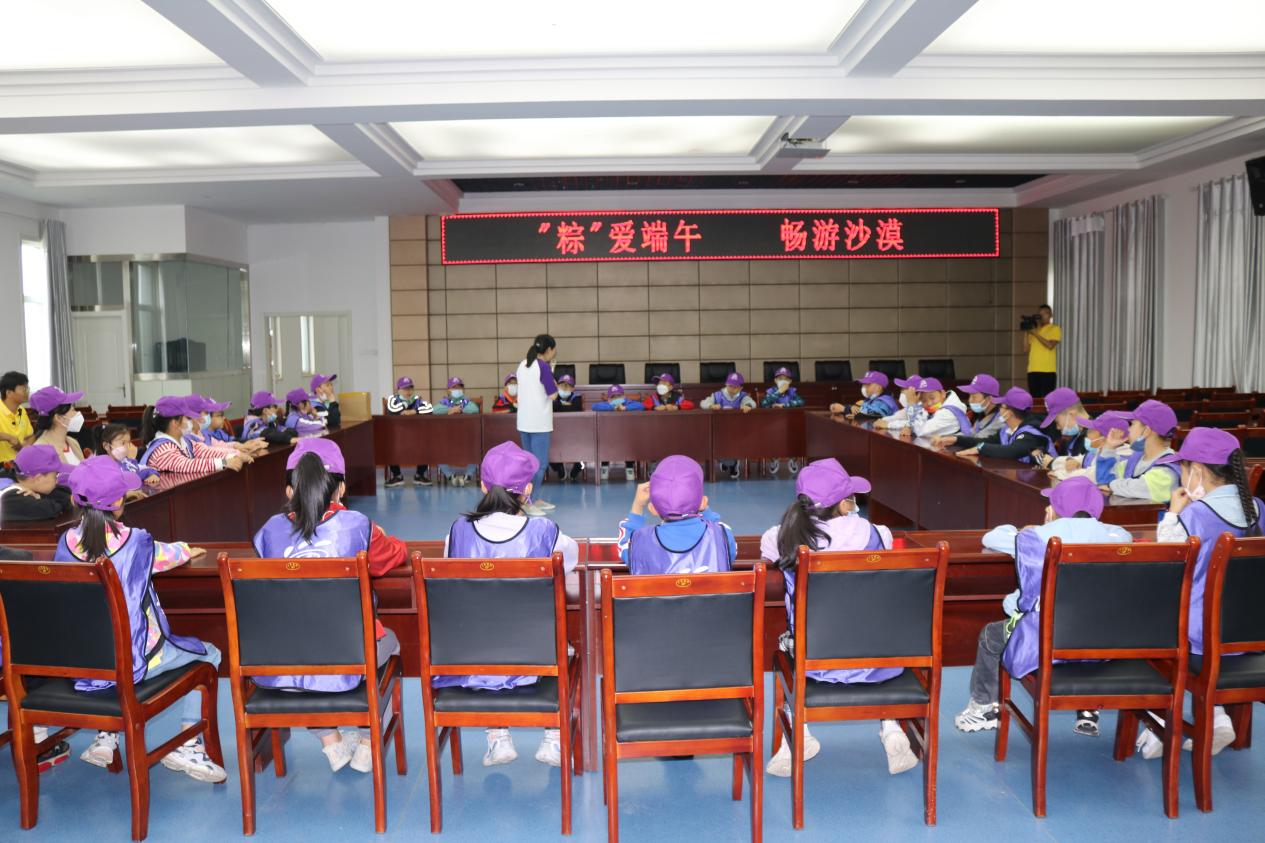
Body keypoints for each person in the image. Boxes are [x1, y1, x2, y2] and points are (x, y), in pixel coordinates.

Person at [56, 456, 224, 782]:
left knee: (103, 639)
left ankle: (106, 736)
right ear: (119, 503)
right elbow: (172, 554)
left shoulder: (65, 543)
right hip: (134, 661)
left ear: (76, 500)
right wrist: (186, 549)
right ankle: (188, 744)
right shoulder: (136, 542)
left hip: (85, 663)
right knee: (210, 654)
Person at [253, 438, 406, 773]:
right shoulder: (358, 526)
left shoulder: (269, 531)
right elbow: (395, 555)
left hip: (283, 659)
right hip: (348, 655)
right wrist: (382, 535)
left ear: (289, 490)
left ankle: (330, 741)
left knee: (304, 643)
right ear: (342, 489)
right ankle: (367, 741)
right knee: (391, 644)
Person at [759, 458, 918, 777]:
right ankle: (891, 725)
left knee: (786, 646)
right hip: (878, 656)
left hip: (814, 657)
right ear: (845, 504)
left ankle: (798, 729)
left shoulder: (779, 538)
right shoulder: (877, 533)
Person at [954, 477, 1132, 738]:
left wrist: (1042, 526)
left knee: (991, 636)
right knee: (1084, 620)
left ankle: (983, 707)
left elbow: (991, 537)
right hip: (1103, 638)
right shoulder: (1119, 537)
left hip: (1047, 638)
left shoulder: (1035, 537)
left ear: (1056, 507)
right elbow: (1118, 536)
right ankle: (1087, 707)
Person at [439, 441, 580, 767]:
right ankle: (554, 737)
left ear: (483, 485)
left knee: (486, 630)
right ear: (527, 489)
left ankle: (497, 736)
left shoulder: (458, 531)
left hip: (473, 654)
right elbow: (570, 559)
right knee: (565, 645)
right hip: (534, 653)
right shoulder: (545, 531)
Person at [1137, 427, 1265, 760]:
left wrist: (1173, 513)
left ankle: (1159, 723)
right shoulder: (1258, 509)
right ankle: (1217, 717)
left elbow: (1167, 562)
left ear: (1196, 471)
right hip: (1249, 634)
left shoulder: (1196, 514)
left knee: (1140, 624)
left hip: (1198, 637)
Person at [617, 455, 736, 574]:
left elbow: (625, 545)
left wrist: (637, 506)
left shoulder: (639, 542)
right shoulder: (723, 535)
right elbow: (720, 539)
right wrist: (705, 510)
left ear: (653, 509)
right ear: (703, 502)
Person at [1096, 399, 1181, 503]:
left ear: (1146, 431)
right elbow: (1104, 481)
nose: (1128, 429)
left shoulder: (1168, 469)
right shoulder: (1135, 460)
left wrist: (1111, 485)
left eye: (1132, 424)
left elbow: (1140, 487)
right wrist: (1109, 448)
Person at [940, 387, 1054, 463]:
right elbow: (985, 441)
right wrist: (956, 439)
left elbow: (1012, 451)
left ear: (1009, 413)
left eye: (1002, 407)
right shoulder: (1006, 431)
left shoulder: (1031, 433)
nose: (999, 410)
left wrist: (981, 449)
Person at [515, 334, 560, 514]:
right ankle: (528, 501)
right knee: (540, 465)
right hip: (539, 423)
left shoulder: (522, 364)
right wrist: (554, 383)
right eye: (554, 350)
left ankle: (534, 498)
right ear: (548, 350)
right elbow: (553, 395)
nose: (554, 353)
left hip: (524, 422)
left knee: (529, 465)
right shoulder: (543, 366)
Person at [139, 396, 244, 473]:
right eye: (188, 418)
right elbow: (186, 465)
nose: (192, 421)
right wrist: (223, 463)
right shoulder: (163, 449)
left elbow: (205, 452)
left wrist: (234, 455)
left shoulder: (184, 441)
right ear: (175, 423)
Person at [701, 372, 756, 480]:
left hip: (737, 430)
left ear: (740, 388)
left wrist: (748, 405)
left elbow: (752, 403)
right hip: (720, 430)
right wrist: (711, 405)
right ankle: (726, 462)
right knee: (716, 443)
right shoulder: (717, 395)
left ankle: (733, 464)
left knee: (736, 444)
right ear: (726, 385)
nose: (731, 389)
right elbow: (703, 403)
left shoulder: (743, 396)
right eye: (730, 386)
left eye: (735, 387)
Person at [875, 376, 966, 440]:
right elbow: (920, 422)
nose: (929, 403)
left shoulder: (950, 411)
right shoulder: (934, 407)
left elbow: (921, 430)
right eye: (924, 400)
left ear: (942, 393)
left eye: (932, 398)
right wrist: (907, 425)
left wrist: (912, 405)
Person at [1049, 410, 1130, 480]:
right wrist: (1069, 460)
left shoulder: (1122, 458)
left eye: (1091, 430)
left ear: (1107, 437)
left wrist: (1058, 473)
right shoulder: (1098, 451)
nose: (1087, 434)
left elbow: (1089, 476)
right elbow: (1080, 459)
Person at [0, 444, 72, 521]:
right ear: (38, 478)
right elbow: (51, 509)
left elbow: (65, 496)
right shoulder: (11, 496)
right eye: (56, 476)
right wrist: (40, 497)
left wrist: (39, 496)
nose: (57, 481)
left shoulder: (15, 477)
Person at [385, 376, 433, 488]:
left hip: (416, 435)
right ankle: (397, 476)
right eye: (405, 388)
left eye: (410, 388)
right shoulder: (393, 399)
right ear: (398, 390)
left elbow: (430, 408)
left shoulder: (417, 399)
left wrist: (414, 411)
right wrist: (406, 404)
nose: (408, 391)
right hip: (397, 436)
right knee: (389, 446)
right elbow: (392, 409)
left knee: (426, 444)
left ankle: (419, 475)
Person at [433, 376, 480, 487]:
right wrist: (450, 409)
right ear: (448, 390)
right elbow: (435, 410)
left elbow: (475, 409)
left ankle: (468, 475)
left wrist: (459, 409)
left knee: (478, 448)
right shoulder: (444, 402)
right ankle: (450, 475)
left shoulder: (466, 402)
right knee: (436, 449)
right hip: (446, 438)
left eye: (459, 387)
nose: (457, 390)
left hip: (467, 438)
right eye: (454, 387)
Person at [29, 386, 86, 475]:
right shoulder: (41, 449)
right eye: (73, 410)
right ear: (59, 418)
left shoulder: (73, 442)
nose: (77, 413)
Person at [1030, 387, 1089, 469]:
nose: (1057, 427)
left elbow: (1086, 468)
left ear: (1071, 414)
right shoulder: (1070, 437)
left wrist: (1053, 463)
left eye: (1057, 422)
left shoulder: (1096, 437)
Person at [592, 384, 640, 482]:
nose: (616, 398)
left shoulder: (628, 403)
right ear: (609, 398)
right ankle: (604, 467)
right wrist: (612, 407)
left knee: (630, 442)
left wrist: (625, 408)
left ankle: (629, 467)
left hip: (627, 434)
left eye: (619, 396)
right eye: (613, 397)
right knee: (604, 441)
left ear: (623, 396)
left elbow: (640, 406)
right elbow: (595, 406)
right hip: (609, 433)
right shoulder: (608, 404)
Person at [763, 367, 805, 476]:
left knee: (796, 436)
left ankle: (793, 459)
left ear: (790, 381)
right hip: (773, 424)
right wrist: (778, 392)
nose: (782, 381)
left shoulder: (792, 392)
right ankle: (774, 459)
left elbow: (801, 402)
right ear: (775, 380)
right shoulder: (771, 391)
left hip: (790, 423)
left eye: (786, 379)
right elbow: (764, 404)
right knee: (771, 437)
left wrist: (784, 405)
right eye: (780, 378)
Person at [95, 423, 159, 489]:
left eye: (128, 442)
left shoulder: (128, 462)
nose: (127, 446)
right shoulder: (102, 468)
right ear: (106, 446)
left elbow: (143, 470)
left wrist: (152, 474)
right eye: (123, 443)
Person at [945, 373, 1005, 440]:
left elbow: (977, 439)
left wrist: (951, 439)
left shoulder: (1001, 419)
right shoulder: (982, 414)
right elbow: (970, 434)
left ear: (989, 399)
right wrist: (945, 438)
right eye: (970, 396)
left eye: (974, 397)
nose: (969, 400)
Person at [549, 374, 584, 482]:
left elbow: (575, 408)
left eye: (567, 386)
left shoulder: (577, 398)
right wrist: (563, 405)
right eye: (562, 386)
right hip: (555, 433)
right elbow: (552, 407)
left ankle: (578, 466)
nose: (564, 389)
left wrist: (560, 405)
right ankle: (558, 467)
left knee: (583, 446)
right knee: (548, 448)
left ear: (573, 388)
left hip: (574, 433)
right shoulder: (553, 397)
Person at [1023, 304, 1061, 398]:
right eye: (1040, 314)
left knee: (1047, 399)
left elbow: (1050, 345)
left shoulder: (1055, 328)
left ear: (1050, 315)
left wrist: (1035, 334)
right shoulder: (1035, 330)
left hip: (1048, 371)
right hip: (1032, 370)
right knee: (1035, 400)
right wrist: (1026, 331)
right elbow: (1025, 349)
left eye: (1045, 313)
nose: (1042, 316)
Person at [832, 371, 897, 419]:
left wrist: (845, 409)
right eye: (863, 384)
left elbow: (873, 414)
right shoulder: (870, 400)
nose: (864, 387)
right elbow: (859, 409)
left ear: (878, 387)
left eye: (868, 384)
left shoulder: (885, 401)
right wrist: (850, 408)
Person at [0, 370, 33, 464]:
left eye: (27, 388)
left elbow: (30, 436)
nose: (27, 392)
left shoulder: (22, 410)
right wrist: (8, 437)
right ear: (9, 393)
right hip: (3, 465)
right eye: (24, 389)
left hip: (20, 463)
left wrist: (23, 447)